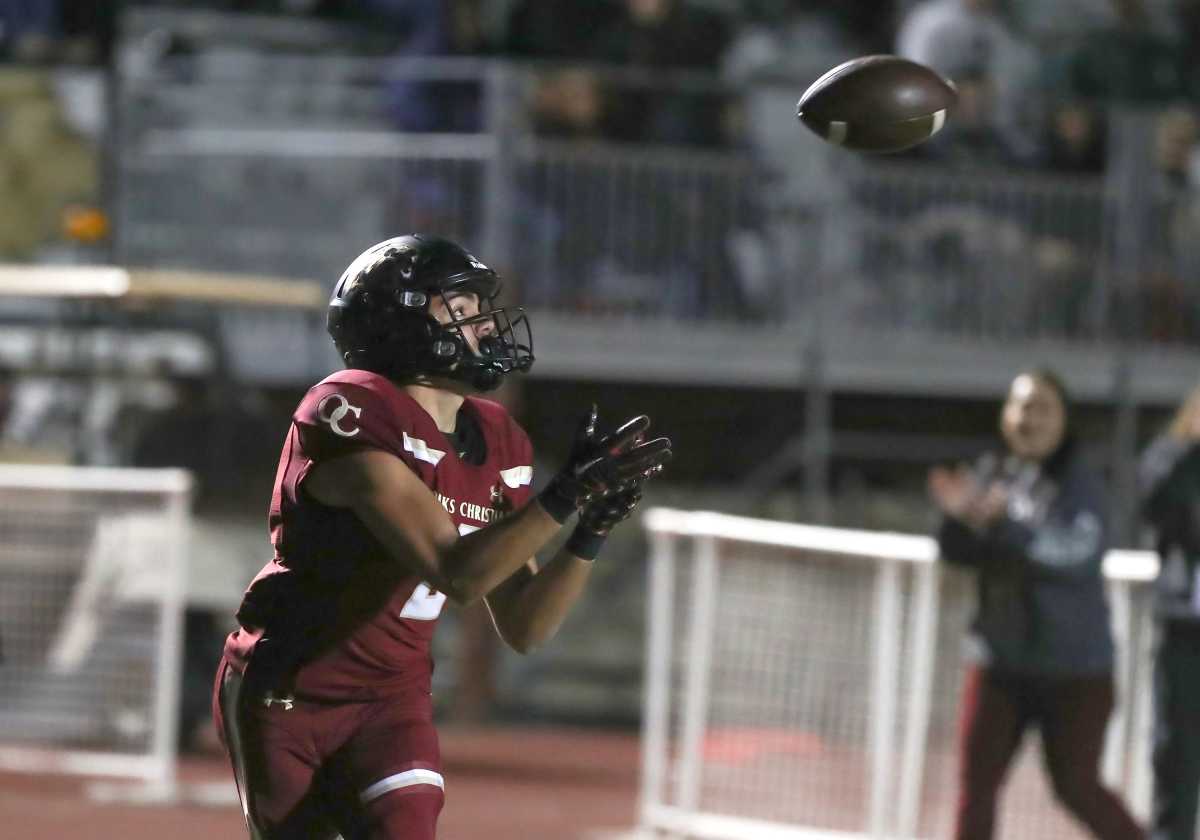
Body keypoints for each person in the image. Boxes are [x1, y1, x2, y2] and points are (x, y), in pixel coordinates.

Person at [211, 234, 671, 840]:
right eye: (460, 308)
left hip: (389, 701)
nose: (482, 325)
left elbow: (526, 625)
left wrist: (592, 528)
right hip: (289, 690)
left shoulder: (498, 440)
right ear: (399, 320)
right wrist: (564, 497)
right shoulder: (347, 409)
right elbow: (456, 573)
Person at [927, 368, 1145, 840]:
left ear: (1065, 420)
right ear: (1006, 416)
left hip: (1075, 671)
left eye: (1043, 407)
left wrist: (1003, 526)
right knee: (977, 787)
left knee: (1076, 787)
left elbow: (1074, 556)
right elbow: (958, 552)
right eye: (1022, 406)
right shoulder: (993, 473)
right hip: (999, 661)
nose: (1031, 418)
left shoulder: (1083, 486)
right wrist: (959, 518)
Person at [1139, 386, 1200, 840]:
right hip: (1187, 632)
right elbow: (1150, 499)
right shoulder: (1177, 458)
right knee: (1176, 758)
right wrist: (1189, 443)